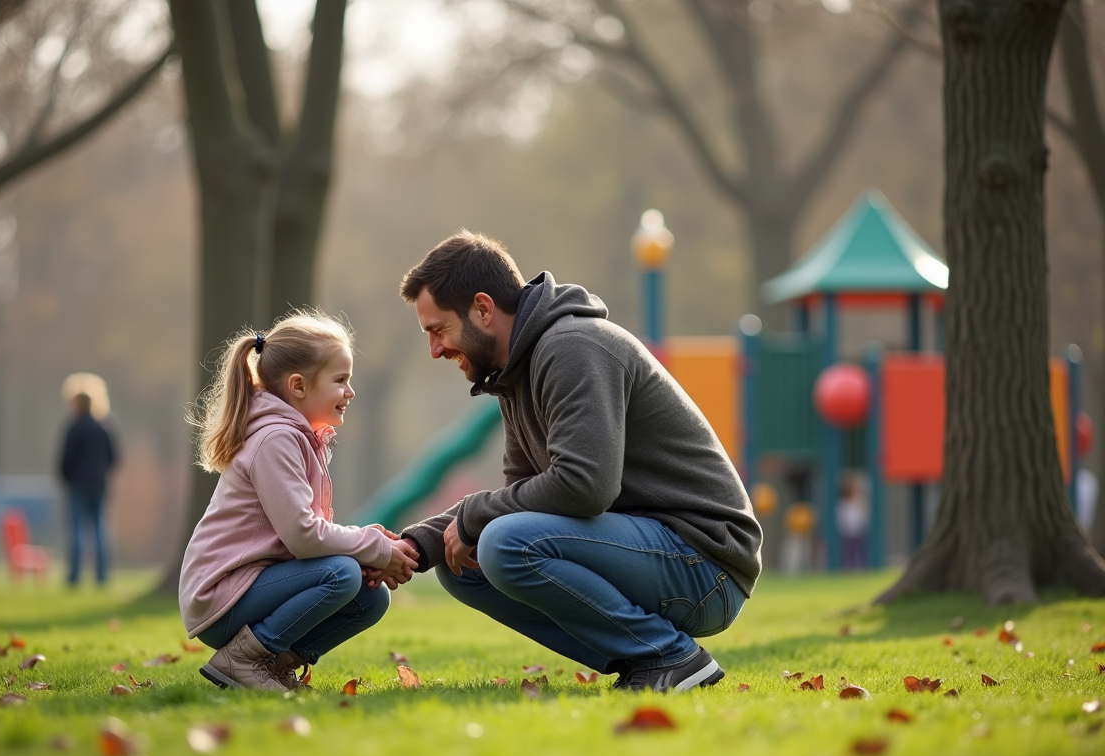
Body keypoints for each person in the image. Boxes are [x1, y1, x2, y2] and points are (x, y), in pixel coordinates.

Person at [377, 230, 762, 693]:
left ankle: (669, 658)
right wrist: (414, 547)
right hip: (652, 550)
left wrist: (477, 515)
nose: (435, 349)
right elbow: (521, 495)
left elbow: (584, 486)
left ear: (482, 309)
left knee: (500, 540)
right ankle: (644, 660)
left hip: (706, 565)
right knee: (463, 566)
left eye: (439, 330)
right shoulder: (515, 373)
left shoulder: (574, 347)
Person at [179, 311, 419, 691]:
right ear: (298, 386)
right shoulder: (275, 439)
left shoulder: (300, 437)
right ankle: (243, 658)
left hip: (254, 585)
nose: (350, 392)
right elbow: (303, 537)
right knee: (341, 573)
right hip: (222, 597)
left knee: (370, 598)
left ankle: (273, 665)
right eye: (341, 381)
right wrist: (371, 548)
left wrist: (364, 544)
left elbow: (304, 533)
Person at [59, 391, 118, 586]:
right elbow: (114, 457)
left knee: (77, 530)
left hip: (77, 485)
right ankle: (102, 576)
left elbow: (66, 459)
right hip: (99, 484)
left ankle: (74, 577)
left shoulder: (74, 428)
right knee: (100, 530)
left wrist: (67, 477)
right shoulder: (103, 428)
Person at [836, 472, 869, 570]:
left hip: (858, 529)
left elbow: (862, 514)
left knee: (860, 549)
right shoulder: (843, 503)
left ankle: (860, 566)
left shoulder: (858, 502)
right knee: (849, 550)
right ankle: (849, 567)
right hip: (847, 531)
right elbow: (842, 517)